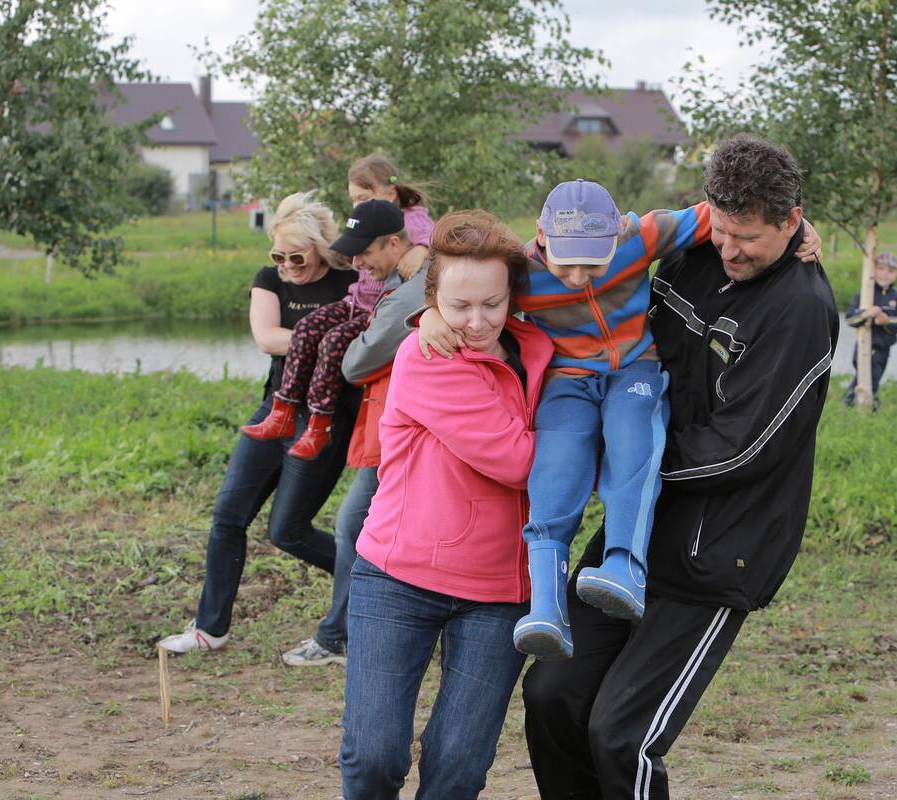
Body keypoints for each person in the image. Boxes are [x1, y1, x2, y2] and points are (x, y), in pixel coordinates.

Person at [521, 134, 839, 798]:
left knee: (622, 735)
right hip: (636, 530)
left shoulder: (800, 309)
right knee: (552, 695)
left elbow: (745, 446)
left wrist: (624, 463)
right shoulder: (693, 252)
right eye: (721, 230)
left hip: (717, 550)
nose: (729, 249)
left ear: (791, 221)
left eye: (747, 238)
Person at [418, 183, 821, 661]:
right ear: (542, 236)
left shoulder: (639, 236)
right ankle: (547, 606)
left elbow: (722, 215)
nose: (577, 277)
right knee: (555, 470)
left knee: (633, 446)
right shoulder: (521, 268)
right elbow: (464, 286)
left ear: (616, 236)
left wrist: (798, 227)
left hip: (635, 369)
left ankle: (624, 567)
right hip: (568, 380)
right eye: (566, 263)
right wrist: (428, 314)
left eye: (594, 263)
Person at [338, 210, 553, 799]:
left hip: (500, 590)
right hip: (398, 578)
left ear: (514, 296)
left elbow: (589, 262)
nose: (476, 322)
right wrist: (579, 444)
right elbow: (519, 461)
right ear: (431, 297)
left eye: (492, 304)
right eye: (458, 306)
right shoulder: (425, 354)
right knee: (373, 756)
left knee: (459, 766)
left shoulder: (545, 351)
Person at [158, 191, 362, 654]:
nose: (287, 265)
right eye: (279, 256)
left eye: (297, 257)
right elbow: (267, 337)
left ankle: (375, 583)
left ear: (320, 250)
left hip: (324, 421)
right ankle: (210, 629)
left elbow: (365, 342)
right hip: (275, 408)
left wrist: (328, 340)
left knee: (288, 531)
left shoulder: (350, 282)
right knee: (228, 516)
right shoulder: (270, 280)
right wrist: (327, 339)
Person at [280, 198, 430, 667]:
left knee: (360, 524)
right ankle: (350, 632)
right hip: (402, 427)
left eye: (365, 251)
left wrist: (355, 341)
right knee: (363, 525)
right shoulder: (402, 281)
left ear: (395, 243)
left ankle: (342, 637)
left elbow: (355, 363)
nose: (359, 262)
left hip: (409, 432)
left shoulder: (407, 295)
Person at [241, 154, 434, 460]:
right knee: (307, 327)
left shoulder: (410, 221)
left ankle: (319, 424)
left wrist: (420, 249)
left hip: (373, 310)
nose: (357, 204)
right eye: (354, 199)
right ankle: (283, 409)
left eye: (363, 197)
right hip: (355, 300)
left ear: (390, 192)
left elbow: (430, 239)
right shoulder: (368, 218)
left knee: (332, 342)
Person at [842, 251, 897, 409]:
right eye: (881, 269)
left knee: (874, 376)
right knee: (869, 375)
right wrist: (865, 314)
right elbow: (849, 319)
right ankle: (869, 405)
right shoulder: (865, 292)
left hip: (883, 348)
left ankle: (851, 402)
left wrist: (887, 321)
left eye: (890, 271)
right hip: (863, 346)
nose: (885, 274)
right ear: (873, 270)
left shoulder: (896, 297)